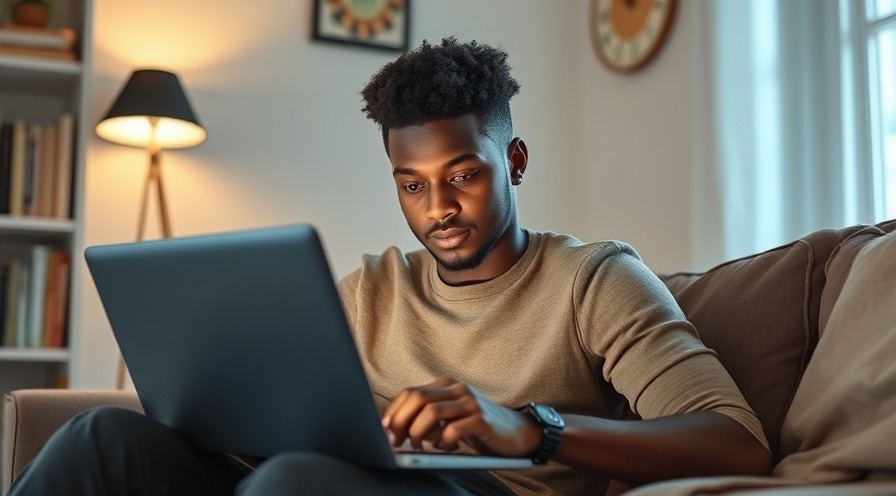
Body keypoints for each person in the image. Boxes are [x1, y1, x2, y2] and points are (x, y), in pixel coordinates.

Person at [8, 38, 770, 496]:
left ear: (514, 160)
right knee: (100, 438)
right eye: (412, 184)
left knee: (289, 484)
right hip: (321, 481)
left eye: (463, 174)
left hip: (486, 491)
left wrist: (530, 429)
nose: (437, 205)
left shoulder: (594, 279)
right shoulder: (373, 287)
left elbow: (735, 440)